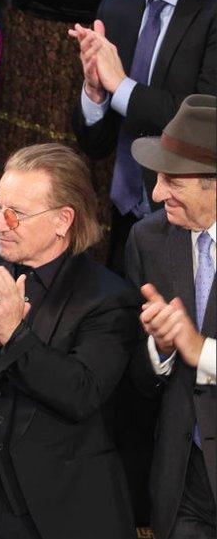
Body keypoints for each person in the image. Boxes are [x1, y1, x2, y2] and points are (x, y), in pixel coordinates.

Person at [0, 143, 140, 539]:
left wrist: (13, 336)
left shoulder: (107, 297)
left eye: (14, 214)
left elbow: (80, 392)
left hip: (59, 511)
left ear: (62, 220)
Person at [70, 0, 217, 272]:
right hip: (122, 224)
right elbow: (95, 144)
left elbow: (205, 125)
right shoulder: (116, 7)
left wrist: (120, 86)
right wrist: (95, 92)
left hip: (197, 227)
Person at [0, 0, 119, 228]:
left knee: (87, 151)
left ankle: (80, 251)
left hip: (105, 34)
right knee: (28, 151)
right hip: (35, 37)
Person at [126, 94, 216, 539]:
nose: (157, 194)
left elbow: (198, 351)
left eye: (172, 181)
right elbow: (138, 385)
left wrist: (201, 351)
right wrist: (159, 348)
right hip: (183, 481)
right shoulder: (148, 240)